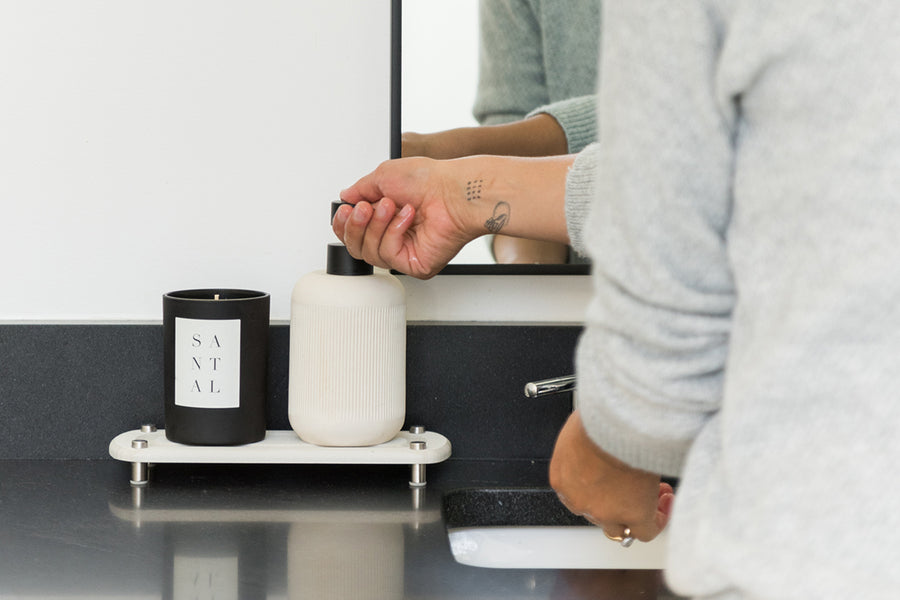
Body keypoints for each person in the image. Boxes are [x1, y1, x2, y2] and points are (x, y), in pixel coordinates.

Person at [336, 1, 900, 597]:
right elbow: (749, 161)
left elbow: (672, 198)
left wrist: (613, 435)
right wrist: (467, 194)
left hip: (812, 527)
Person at [402, 0, 600, 265]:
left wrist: (450, 155)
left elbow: (664, 126)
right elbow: (511, 109)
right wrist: (522, 279)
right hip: (578, 289)